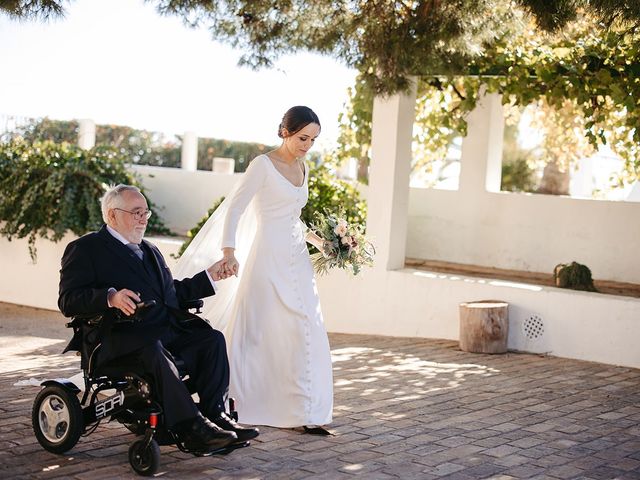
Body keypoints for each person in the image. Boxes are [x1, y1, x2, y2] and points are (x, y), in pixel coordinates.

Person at [58, 184, 259, 451]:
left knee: (210, 340)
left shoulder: (149, 249)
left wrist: (209, 276)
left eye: (145, 212)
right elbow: (68, 300)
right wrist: (110, 297)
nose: (143, 218)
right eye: (136, 212)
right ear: (111, 215)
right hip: (119, 341)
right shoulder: (86, 249)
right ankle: (191, 429)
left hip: (164, 331)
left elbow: (169, 295)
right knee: (153, 350)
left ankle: (215, 416)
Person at [175, 106, 333, 432]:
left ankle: (307, 412)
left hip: (297, 259)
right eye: (303, 137)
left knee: (306, 325)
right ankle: (243, 403)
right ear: (285, 132)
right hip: (268, 256)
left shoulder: (303, 167)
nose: (307, 145)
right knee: (263, 330)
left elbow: (293, 217)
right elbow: (235, 208)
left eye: (314, 140)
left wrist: (323, 242)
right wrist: (229, 252)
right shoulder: (262, 165)